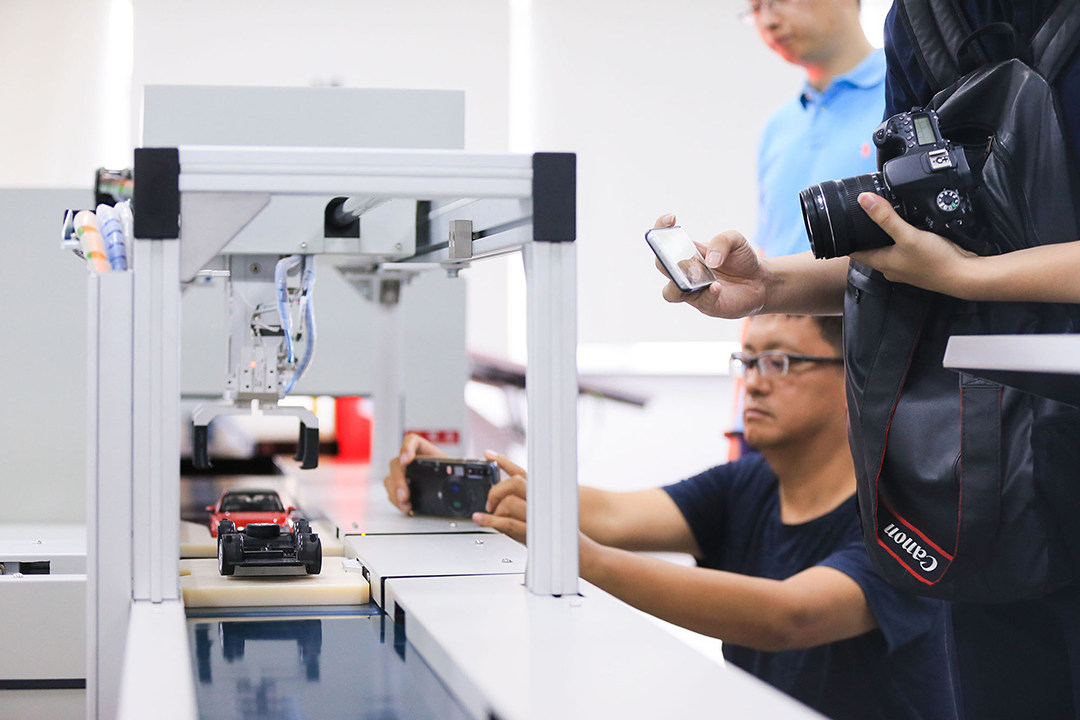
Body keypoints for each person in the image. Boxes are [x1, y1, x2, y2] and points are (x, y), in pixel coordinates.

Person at [656, 4, 1080, 718]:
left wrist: (973, 278)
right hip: (988, 462)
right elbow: (915, 246)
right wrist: (769, 285)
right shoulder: (926, 22)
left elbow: (956, 267)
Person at [385, 314, 956, 720]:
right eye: (748, 360)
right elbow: (611, 513)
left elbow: (789, 617)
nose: (754, 381)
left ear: (856, 376)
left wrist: (580, 558)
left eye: (780, 362)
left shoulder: (908, 518)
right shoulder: (747, 484)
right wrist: (468, 482)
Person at [746, 0, 884, 258]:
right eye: (756, 8)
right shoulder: (777, 127)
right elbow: (772, 249)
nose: (767, 22)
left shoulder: (908, 95)